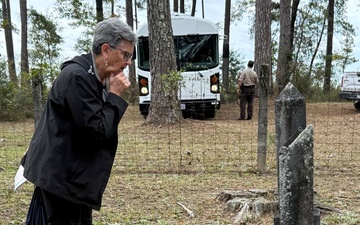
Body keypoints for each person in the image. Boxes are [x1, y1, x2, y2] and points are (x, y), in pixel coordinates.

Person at [20, 17, 137, 224]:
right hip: (61, 182)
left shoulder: (97, 77)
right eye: (125, 55)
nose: (128, 62)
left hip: (74, 180)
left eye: (130, 57)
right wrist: (115, 96)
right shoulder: (77, 77)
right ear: (106, 50)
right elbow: (98, 131)